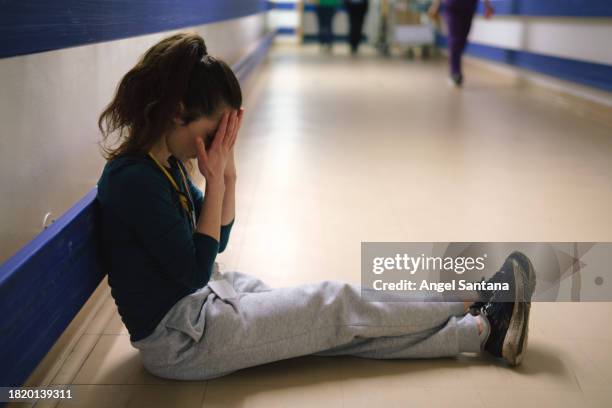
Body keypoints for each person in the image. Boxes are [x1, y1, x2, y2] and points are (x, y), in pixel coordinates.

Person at [95, 32, 536, 381]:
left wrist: (226, 176)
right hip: (183, 338)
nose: (219, 143)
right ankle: (475, 299)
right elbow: (193, 267)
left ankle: (482, 334)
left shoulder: (165, 165)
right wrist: (213, 180)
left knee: (335, 328)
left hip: (200, 303)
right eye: (216, 132)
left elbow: (219, 240)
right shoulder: (133, 180)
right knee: (335, 305)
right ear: (178, 113)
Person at [429, 0, 494, 86]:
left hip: (469, 5)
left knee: (462, 40)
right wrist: (435, 5)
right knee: (455, 39)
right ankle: (455, 73)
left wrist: (487, 5)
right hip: (452, 5)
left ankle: (455, 68)